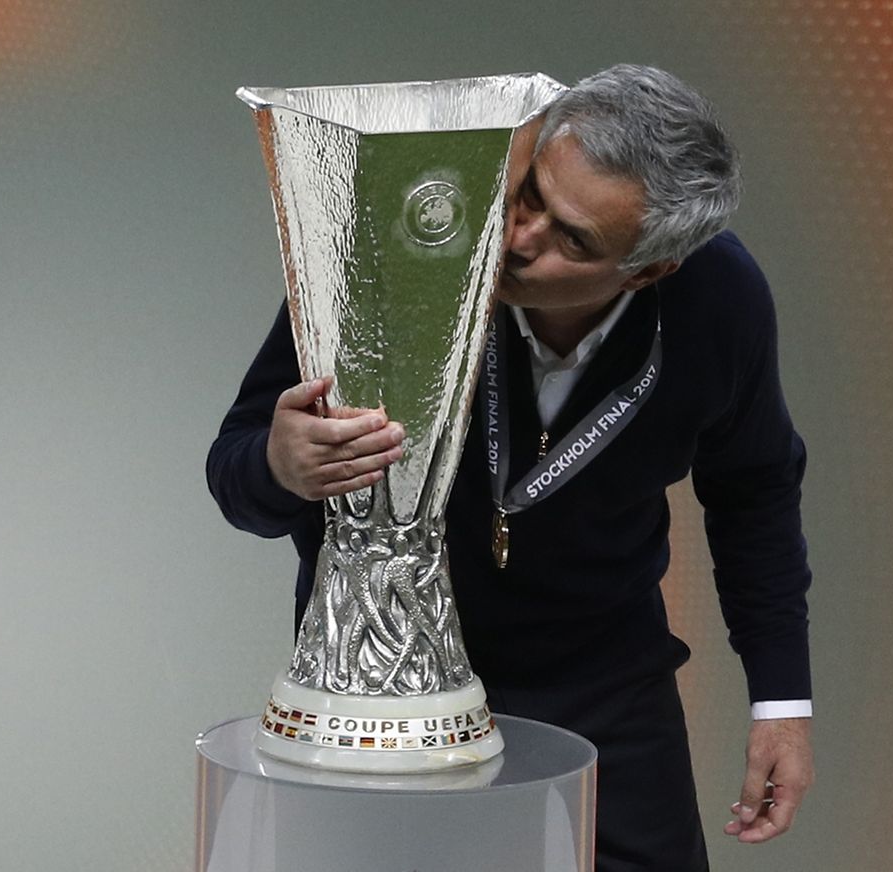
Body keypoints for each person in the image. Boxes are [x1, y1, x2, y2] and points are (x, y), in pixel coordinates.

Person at [208, 64, 814, 871]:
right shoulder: (394, 242)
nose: (520, 237)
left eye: (573, 240)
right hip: (386, 697)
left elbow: (754, 494)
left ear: (648, 271)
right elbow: (235, 474)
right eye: (528, 193)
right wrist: (280, 466)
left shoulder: (720, 300)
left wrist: (781, 701)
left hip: (604, 686)